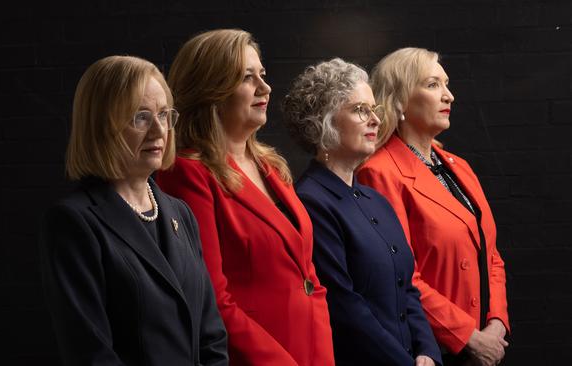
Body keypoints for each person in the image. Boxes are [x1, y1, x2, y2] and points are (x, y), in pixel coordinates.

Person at [157, 29, 334, 366]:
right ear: (211, 89)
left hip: (312, 349)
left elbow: (308, 276)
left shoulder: (270, 165)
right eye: (246, 77)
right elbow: (211, 298)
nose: (264, 88)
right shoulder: (187, 172)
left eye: (262, 75)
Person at [38, 55, 228, 366]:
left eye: (164, 115)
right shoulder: (74, 222)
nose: (158, 131)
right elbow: (90, 353)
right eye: (140, 117)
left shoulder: (180, 213)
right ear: (101, 126)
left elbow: (212, 336)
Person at [282, 58, 441, 366]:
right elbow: (344, 307)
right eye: (359, 110)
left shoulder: (376, 200)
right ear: (324, 122)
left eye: (373, 110)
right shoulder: (310, 201)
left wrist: (428, 353)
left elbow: (407, 289)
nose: (375, 121)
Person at [357, 48, 510, 366]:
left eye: (447, 84)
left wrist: (496, 323)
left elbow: (490, 254)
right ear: (399, 100)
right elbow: (400, 277)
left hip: (486, 341)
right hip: (433, 349)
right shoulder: (379, 172)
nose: (449, 96)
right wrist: (467, 335)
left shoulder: (459, 166)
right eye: (432, 85)